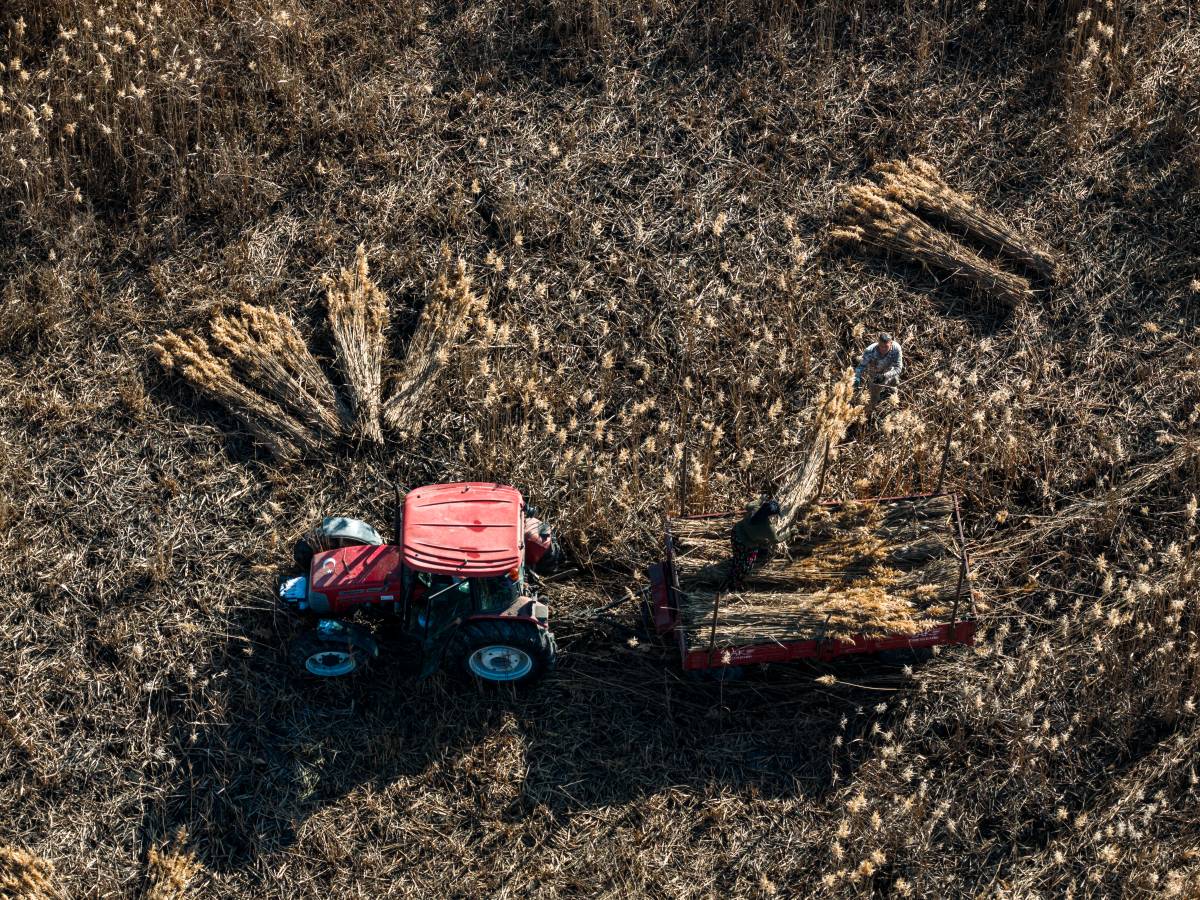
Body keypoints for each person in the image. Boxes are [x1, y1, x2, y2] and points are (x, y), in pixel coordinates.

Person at [730, 499, 786, 586]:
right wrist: (789, 533)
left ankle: (735, 565)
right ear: (771, 515)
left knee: (738, 555)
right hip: (745, 544)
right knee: (746, 564)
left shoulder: (754, 508)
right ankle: (735, 582)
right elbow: (776, 540)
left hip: (735, 534)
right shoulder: (768, 527)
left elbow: (748, 505)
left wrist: (762, 499)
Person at [854, 332, 903, 405]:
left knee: (894, 384)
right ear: (878, 343)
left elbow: (898, 368)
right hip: (875, 375)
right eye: (881, 346)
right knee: (873, 396)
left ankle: (893, 396)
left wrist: (885, 376)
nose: (883, 349)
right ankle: (873, 407)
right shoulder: (870, 351)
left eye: (886, 346)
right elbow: (861, 366)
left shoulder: (896, 348)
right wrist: (857, 376)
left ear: (891, 343)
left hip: (890, 372)